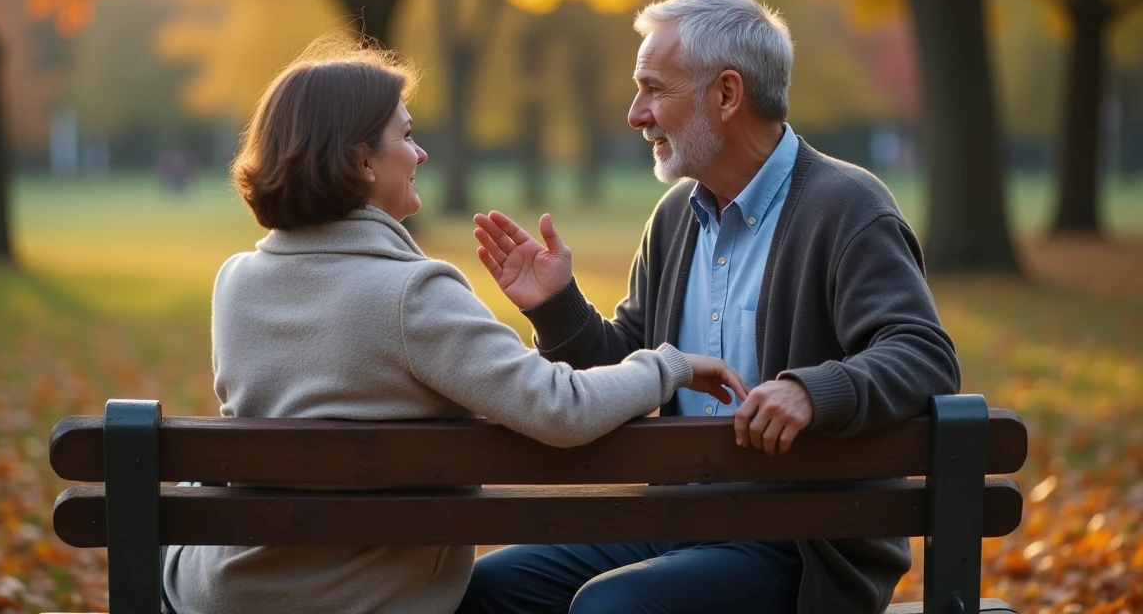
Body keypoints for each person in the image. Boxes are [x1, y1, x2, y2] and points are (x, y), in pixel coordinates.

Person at [160, 38, 748, 614]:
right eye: (407, 136)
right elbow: (560, 408)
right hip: (347, 598)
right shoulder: (412, 295)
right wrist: (668, 364)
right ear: (363, 161)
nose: (419, 155)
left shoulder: (235, 282)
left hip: (216, 589)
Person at [460, 0, 962, 614]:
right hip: (675, 523)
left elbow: (923, 355)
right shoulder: (675, 217)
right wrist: (557, 304)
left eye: (654, 89)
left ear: (726, 95)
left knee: (613, 609)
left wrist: (811, 391)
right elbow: (630, 363)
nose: (635, 114)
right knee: (490, 590)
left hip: (799, 544)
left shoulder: (847, 207)